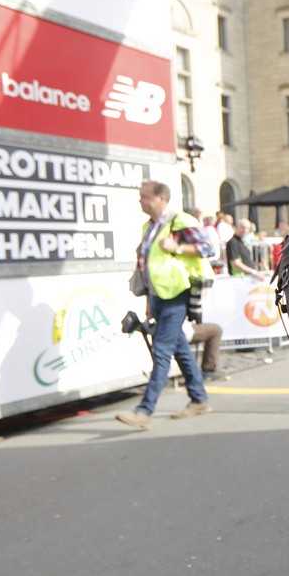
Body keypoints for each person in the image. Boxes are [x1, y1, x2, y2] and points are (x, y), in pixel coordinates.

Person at [116, 180, 216, 430]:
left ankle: (144, 411)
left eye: (145, 196)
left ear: (161, 198)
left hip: (177, 294)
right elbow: (148, 265)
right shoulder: (149, 226)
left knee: (161, 350)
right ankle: (199, 399)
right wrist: (149, 300)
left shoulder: (179, 221)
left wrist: (177, 247)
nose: (140, 200)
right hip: (159, 296)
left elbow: (208, 248)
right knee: (180, 349)